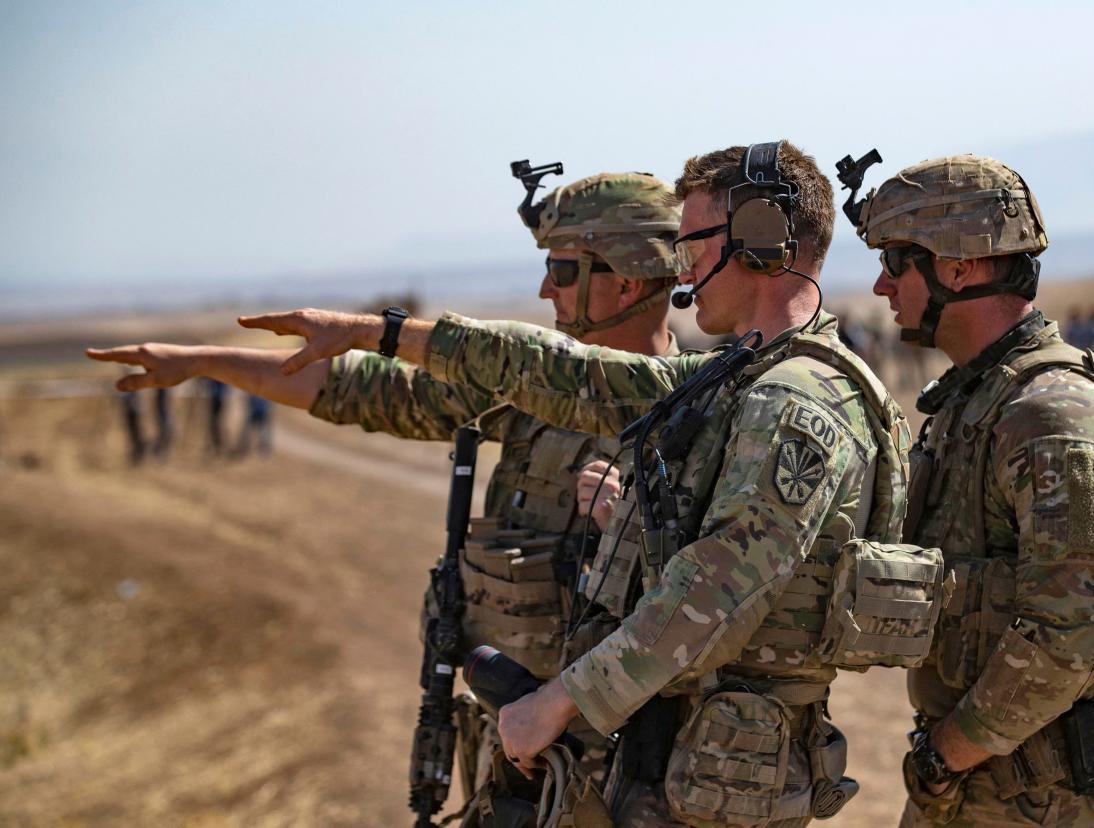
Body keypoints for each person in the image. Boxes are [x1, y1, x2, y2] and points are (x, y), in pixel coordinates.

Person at [101, 141, 924, 827]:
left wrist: (561, 700)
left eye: (566, 270)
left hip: (668, 761)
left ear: (759, 238)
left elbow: (715, 591)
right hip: (602, 759)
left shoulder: (770, 400)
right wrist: (233, 356)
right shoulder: (722, 389)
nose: (687, 266)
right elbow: (525, 371)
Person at [88, 170, 684, 798]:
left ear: (626, 279)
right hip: (512, 749)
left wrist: (630, 524)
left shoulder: (701, 413)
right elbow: (359, 390)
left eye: (563, 271)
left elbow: (724, 600)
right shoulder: (526, 391)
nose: (544, 289)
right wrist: (203, 362)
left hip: (614, 768)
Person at [859, 155, 1094, 826]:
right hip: (990, 785)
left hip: (1038, 798)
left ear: (958, 267)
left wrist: (947, 753)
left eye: (895, 261)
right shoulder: (982, 397)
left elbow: (1070, 634)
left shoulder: (1052, 412)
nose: (883, 286)